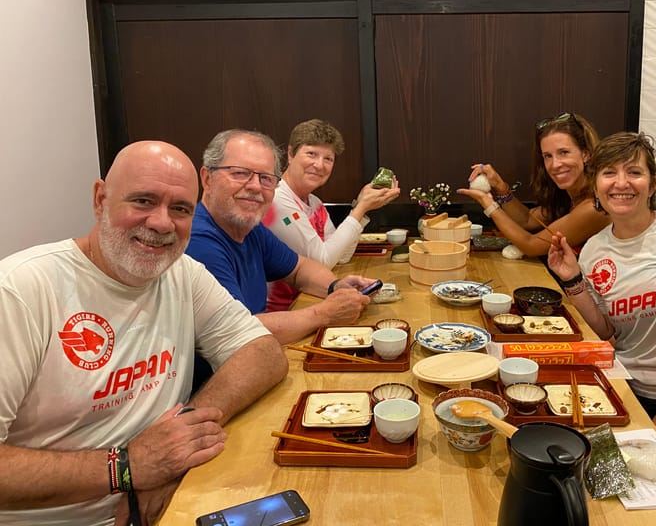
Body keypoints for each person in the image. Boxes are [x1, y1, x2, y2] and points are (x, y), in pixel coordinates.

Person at [0, 141, 285, 526]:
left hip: (173, 500)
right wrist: (127, 469)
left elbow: (262, 352)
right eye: (143, 201)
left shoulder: (182, 273)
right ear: (100, 199)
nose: (162, 223)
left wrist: (173, 451)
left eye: (181, 209)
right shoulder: (20, 290)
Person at [547, 132, 656, 468]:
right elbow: (606, 329)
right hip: (627, 385)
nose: (621, 183)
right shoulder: (594, 250)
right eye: (609, 172)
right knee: (581, 465)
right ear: (595, 185)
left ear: (652, 184)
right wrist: (572, 279)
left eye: (634, 172)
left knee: (650, 471)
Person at [185, 129, 376, 345]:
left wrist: (336, 286)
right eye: (240, 173)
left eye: (266, 178)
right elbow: (238, 331)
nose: (255, 186)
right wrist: (325, 313)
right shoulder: (198, 242)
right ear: (207, 178)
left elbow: (300, 268)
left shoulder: (251, 230)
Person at [264, 119, 399, 310]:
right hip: (283, 311)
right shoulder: (277, 200)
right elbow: (322, 263)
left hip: (313, 299)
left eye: (328, 159)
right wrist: (361, 209)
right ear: (291, 153)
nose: (319, 165)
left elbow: (342, 256)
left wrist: (360, 206)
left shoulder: (314, 202)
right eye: (311, 154)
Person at [457, 112, 608, 256]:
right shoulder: (569, 195)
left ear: (586, 154)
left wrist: (488, 204)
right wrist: (500, 186)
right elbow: (527, 220)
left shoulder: (595, 207)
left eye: (564, 152)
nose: (555, 164)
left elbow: (531, 245)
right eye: (547, 156)